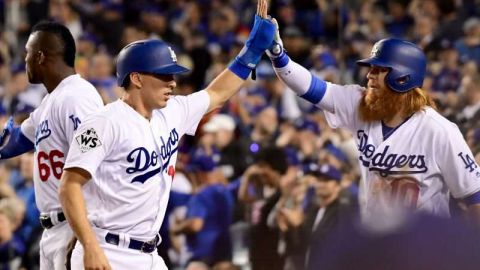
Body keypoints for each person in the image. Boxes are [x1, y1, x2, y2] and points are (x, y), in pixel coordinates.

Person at [58, 1, 276, 269]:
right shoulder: (103, 123)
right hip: (107, 249)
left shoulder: (173, 110)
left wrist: (252, 50)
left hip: (149, 253)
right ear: (136, 79)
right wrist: (89, 246)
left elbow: (217, 93)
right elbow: (69, 186)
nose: (173, 82)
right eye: (164, 75)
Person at [265, 22, 480, 228]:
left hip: (423, 251)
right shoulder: (361, 104)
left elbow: (474, 198)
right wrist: (278, 55)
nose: (369, 75)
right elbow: (311, 88)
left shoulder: (439, 131)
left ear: (403, 78)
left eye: (379, 70)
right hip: (377, 247)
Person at [0, 21, 104, 270]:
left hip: (74, 226)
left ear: (41, 56)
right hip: (54, 229)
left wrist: (84, 237)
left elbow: (98, 160)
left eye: (27, 53)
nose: (24, 59)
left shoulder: (77, 96)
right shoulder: (50, 102)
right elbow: (11, 144)